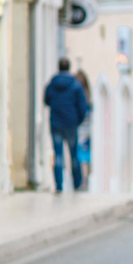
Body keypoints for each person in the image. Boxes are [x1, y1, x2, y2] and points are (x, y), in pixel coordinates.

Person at [43, 58, 89, 193]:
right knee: (74, 155)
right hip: (71, 124)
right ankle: (77, 184)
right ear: (69, 68)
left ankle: (59, 186)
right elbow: (83, 106)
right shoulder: (75, 85)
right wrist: (77, 120)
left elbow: (46, 100)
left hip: (56, 124)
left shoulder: (52, 84)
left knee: (58, 155)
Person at [75, 70, 93, 190]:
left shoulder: (76, 92)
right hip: (86, 130)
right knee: (85, 158)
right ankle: (85, 181)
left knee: (81, 157)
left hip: (80, 129)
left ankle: (83, 181)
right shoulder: (87, 95)